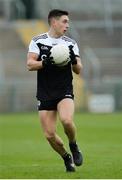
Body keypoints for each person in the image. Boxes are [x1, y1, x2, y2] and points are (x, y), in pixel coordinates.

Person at [27, 9, 83, 172]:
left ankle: (73, 145)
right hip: (45, 92)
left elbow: (79, 69)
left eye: (68, 22)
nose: (67, 25)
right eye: (64, 21)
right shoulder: (38, 41)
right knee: (50, 135)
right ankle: (66, 157)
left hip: (64, 89)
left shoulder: (70, 43)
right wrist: (46, 63)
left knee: (66, 120)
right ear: (53, 22)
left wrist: (73, 60)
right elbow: (30, 64)